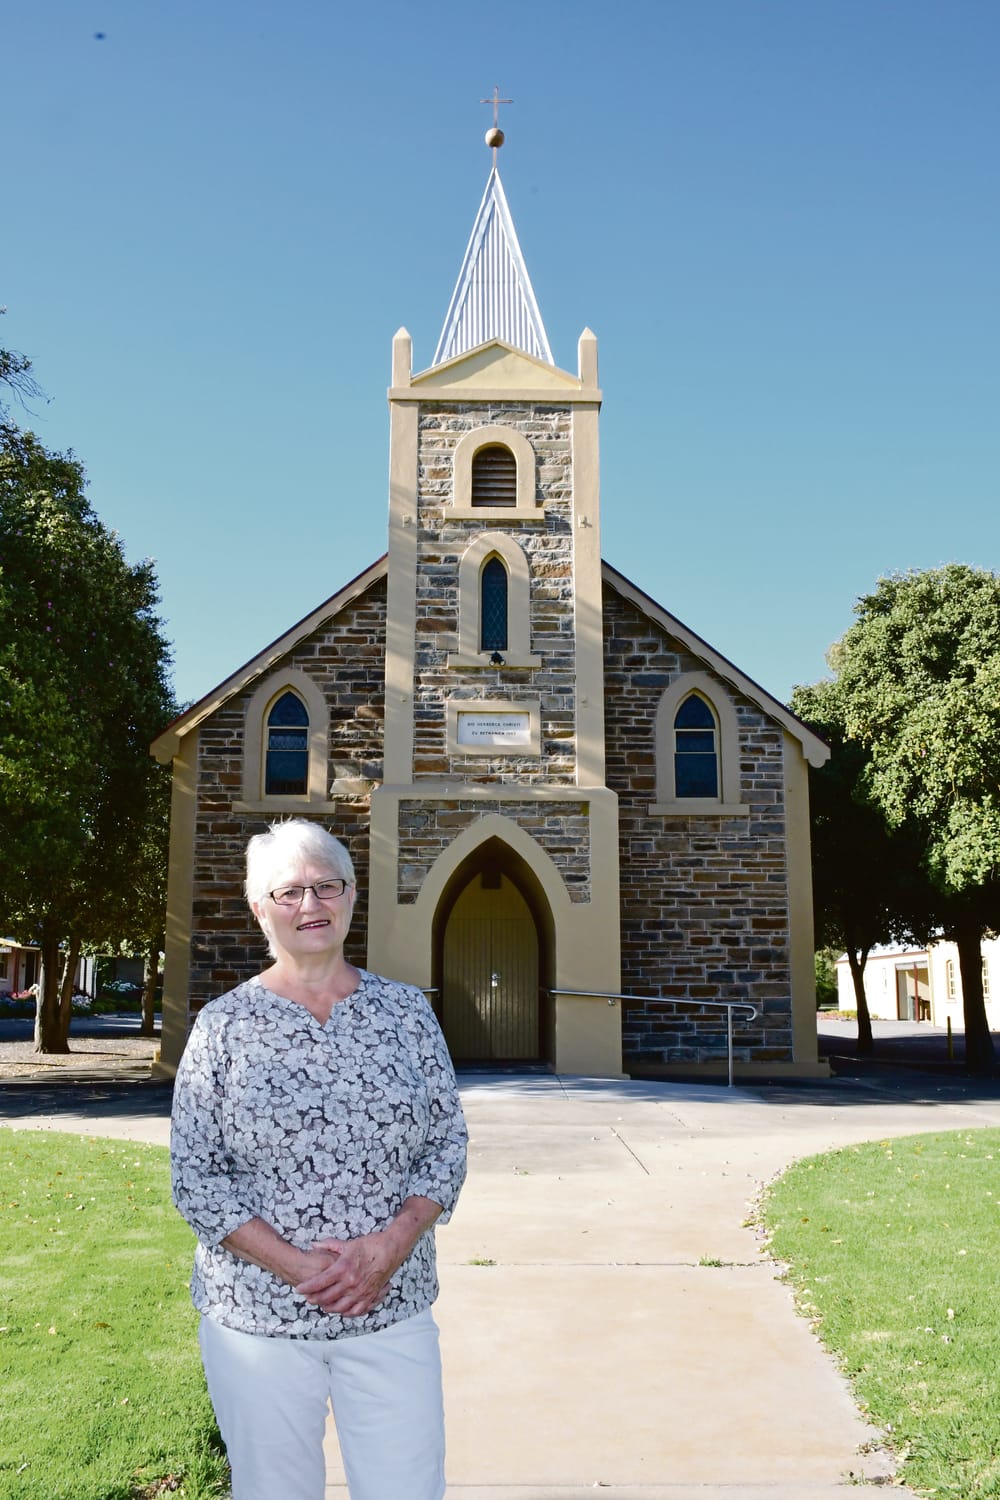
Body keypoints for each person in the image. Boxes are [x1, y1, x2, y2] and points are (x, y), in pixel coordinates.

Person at [170, 817, 467, 1500]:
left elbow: (446, 1144)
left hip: (390, 1308)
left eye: (327, 886)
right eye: (289, 891)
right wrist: (299, 1268)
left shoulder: (407, 1014)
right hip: (258, 1321)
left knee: (407, 1489)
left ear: (352, 895)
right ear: (260, 909)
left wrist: (390, 1247)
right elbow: (197, 1178)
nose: (311, 904)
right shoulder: (223, 1027)